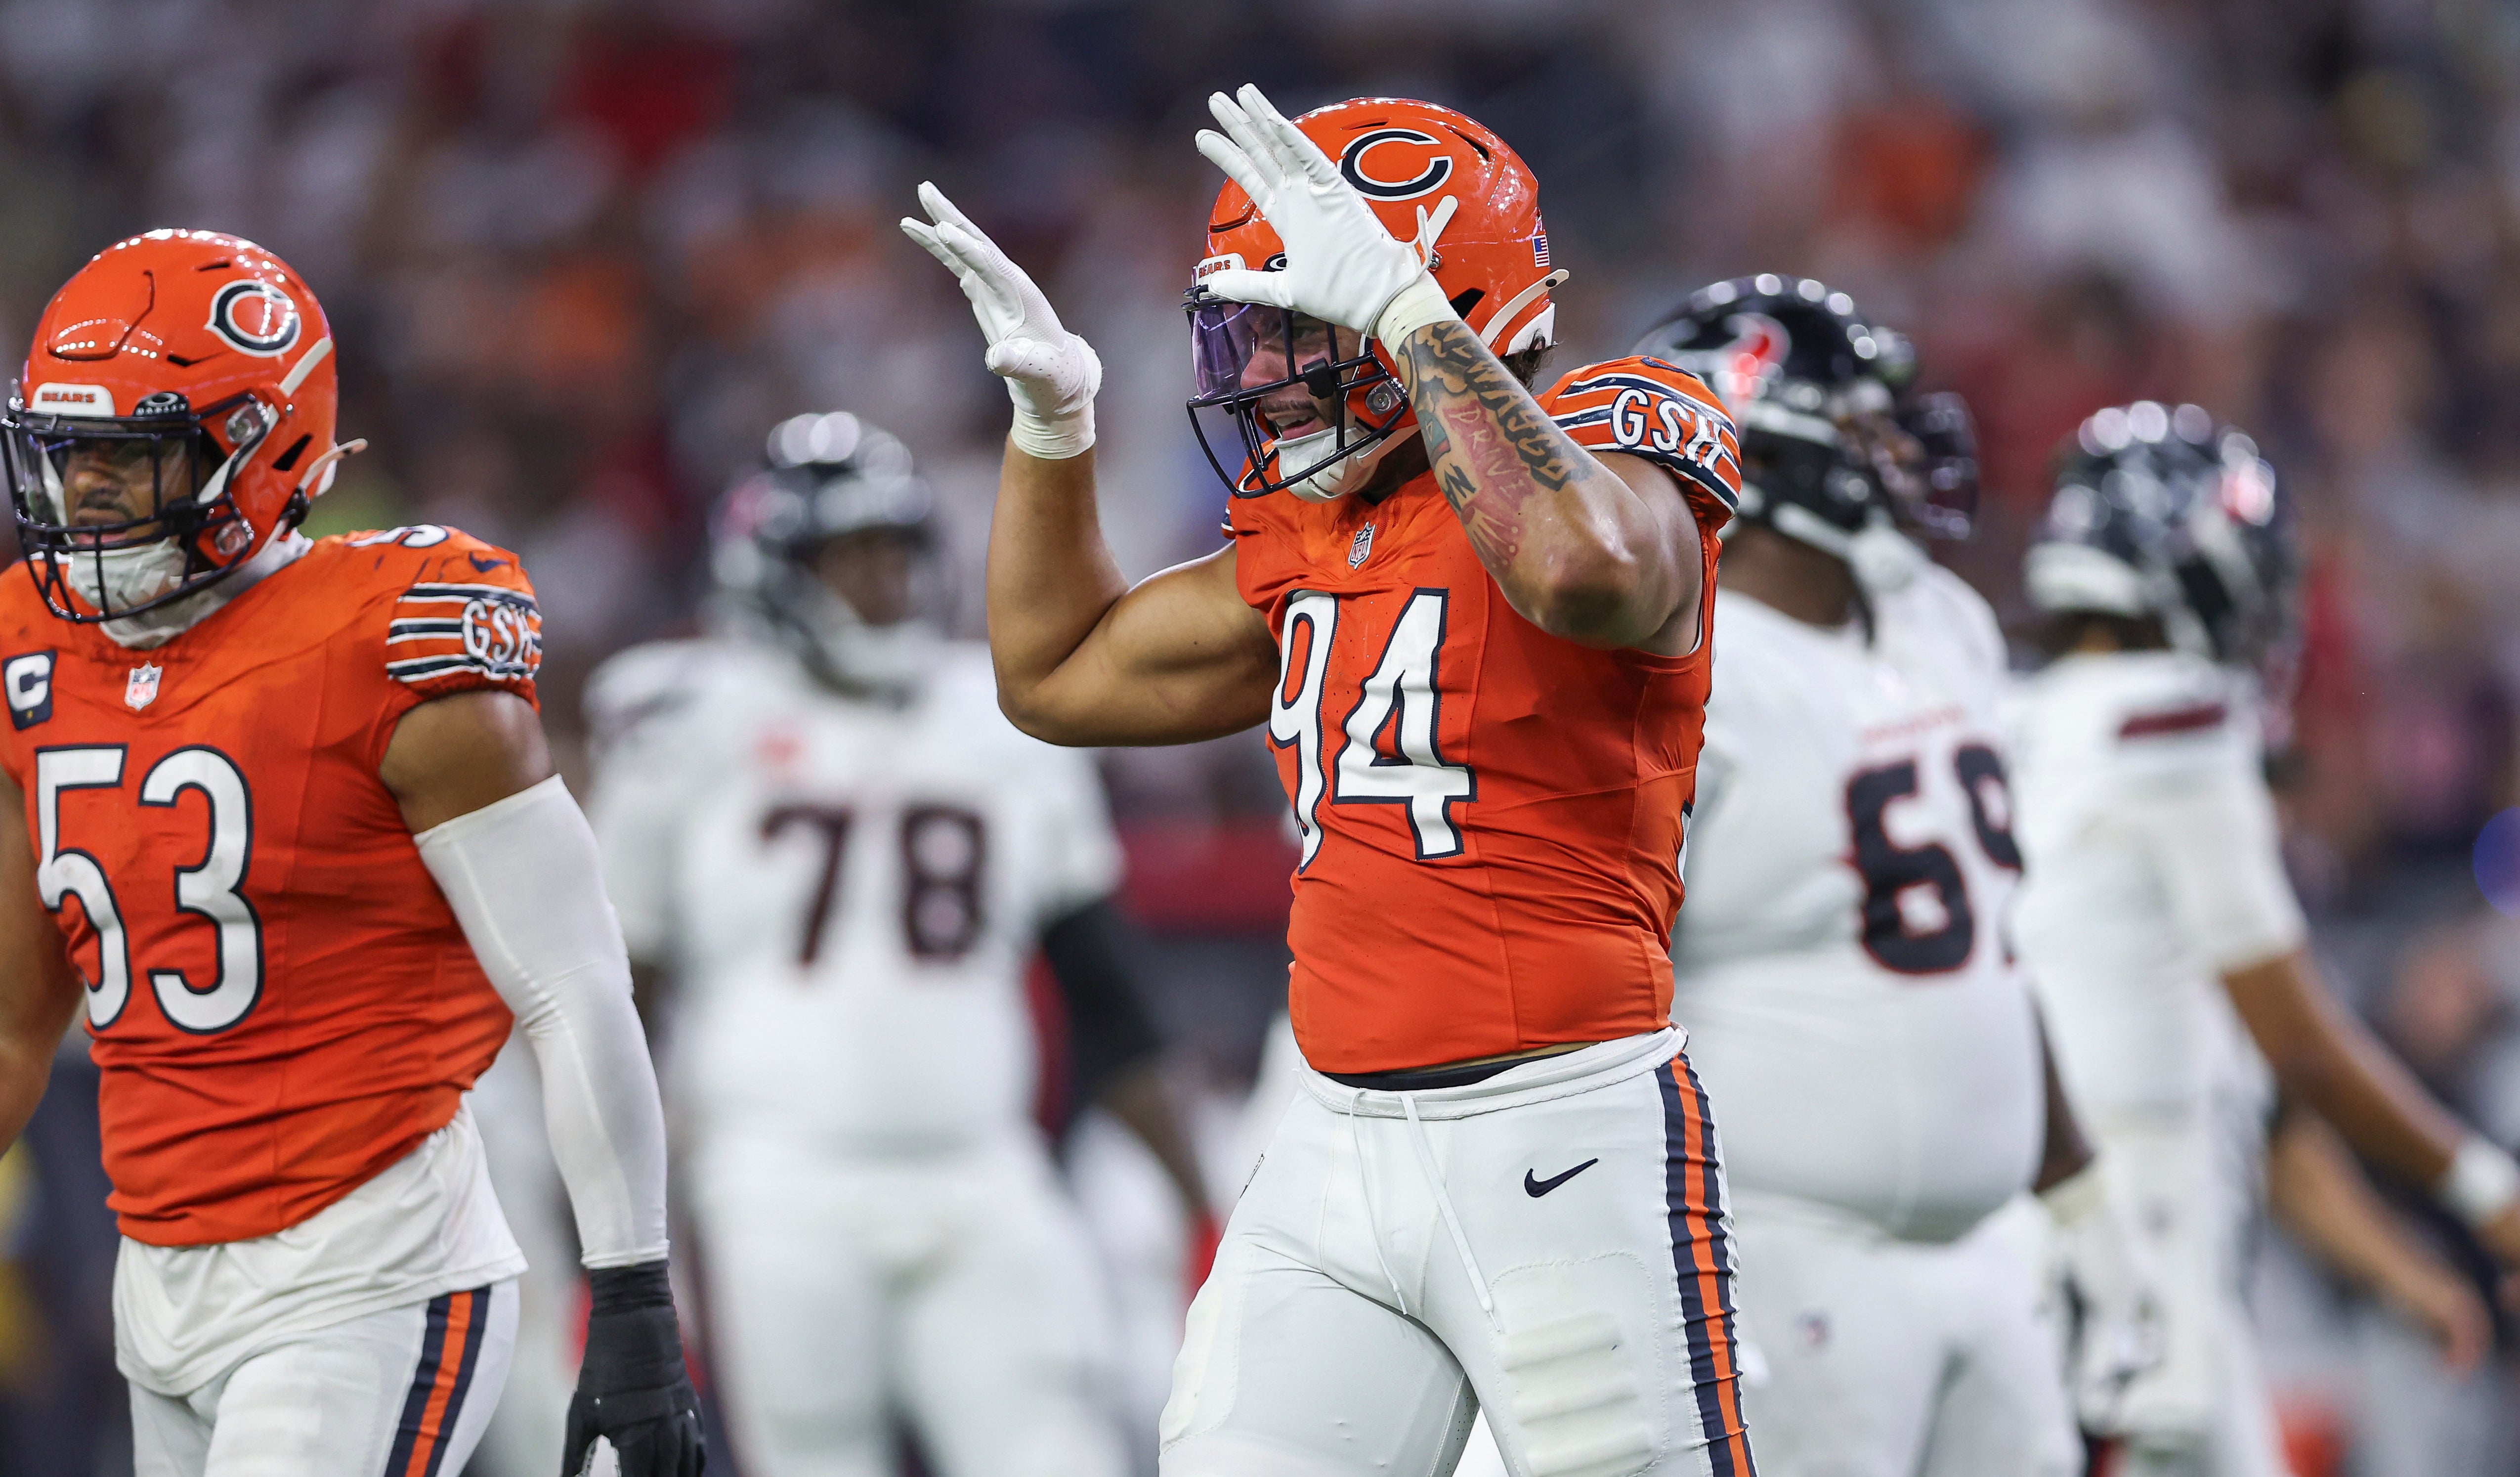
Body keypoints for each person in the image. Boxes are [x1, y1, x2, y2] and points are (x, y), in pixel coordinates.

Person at [908, 87, 1757, 1476]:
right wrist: (1053, 427)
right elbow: (1056, 676)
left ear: (1436, 299)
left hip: (1563, 1133)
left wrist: (1413, 321)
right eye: (1255, 329)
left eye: (1306, 324)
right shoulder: (1320, 523)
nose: (1266, 375)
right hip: (1331, 1140)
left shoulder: (1620, 424)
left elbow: (1580, 568)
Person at [0, 229, 703, 1477]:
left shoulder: (393, 631)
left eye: (128, 453)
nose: (88, 492)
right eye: (68, 454)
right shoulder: (30, 652)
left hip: (366, 1261)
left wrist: (635, 1293)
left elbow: (574, 985)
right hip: (153, 1275)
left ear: (261, 452)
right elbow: (11, 1024)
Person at [583, 410, 1217, 1477]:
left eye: (894, 552)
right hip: (778, 1179)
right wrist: (610, 1241)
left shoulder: (1001, 717)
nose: (883, 583)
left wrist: (1202, 1205)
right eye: (849, 557)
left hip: (985, 1172)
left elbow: (1107, 990)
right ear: (773, 569)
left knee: (1056, 1452)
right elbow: (620, 1000)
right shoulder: (687, 718)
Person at [1639, 277, 2150, 1477]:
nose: (1900, 445)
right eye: (1867, 416)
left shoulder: (1940, 621)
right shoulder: (1682, 674)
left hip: (1990, 1249)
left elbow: (1990, 950)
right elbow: (1609, 997)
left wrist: (2078, 1197)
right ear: (1762, 445)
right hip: (1784, 1252)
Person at [2008, 402, 2520, 1476]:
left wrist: (2396, 1267)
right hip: (2135, 1254)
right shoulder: (2170, 727)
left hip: (2100, 1236)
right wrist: (2488, 1192)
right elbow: (2303, 1047)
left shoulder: (2022, 720)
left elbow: (2257, 1095)